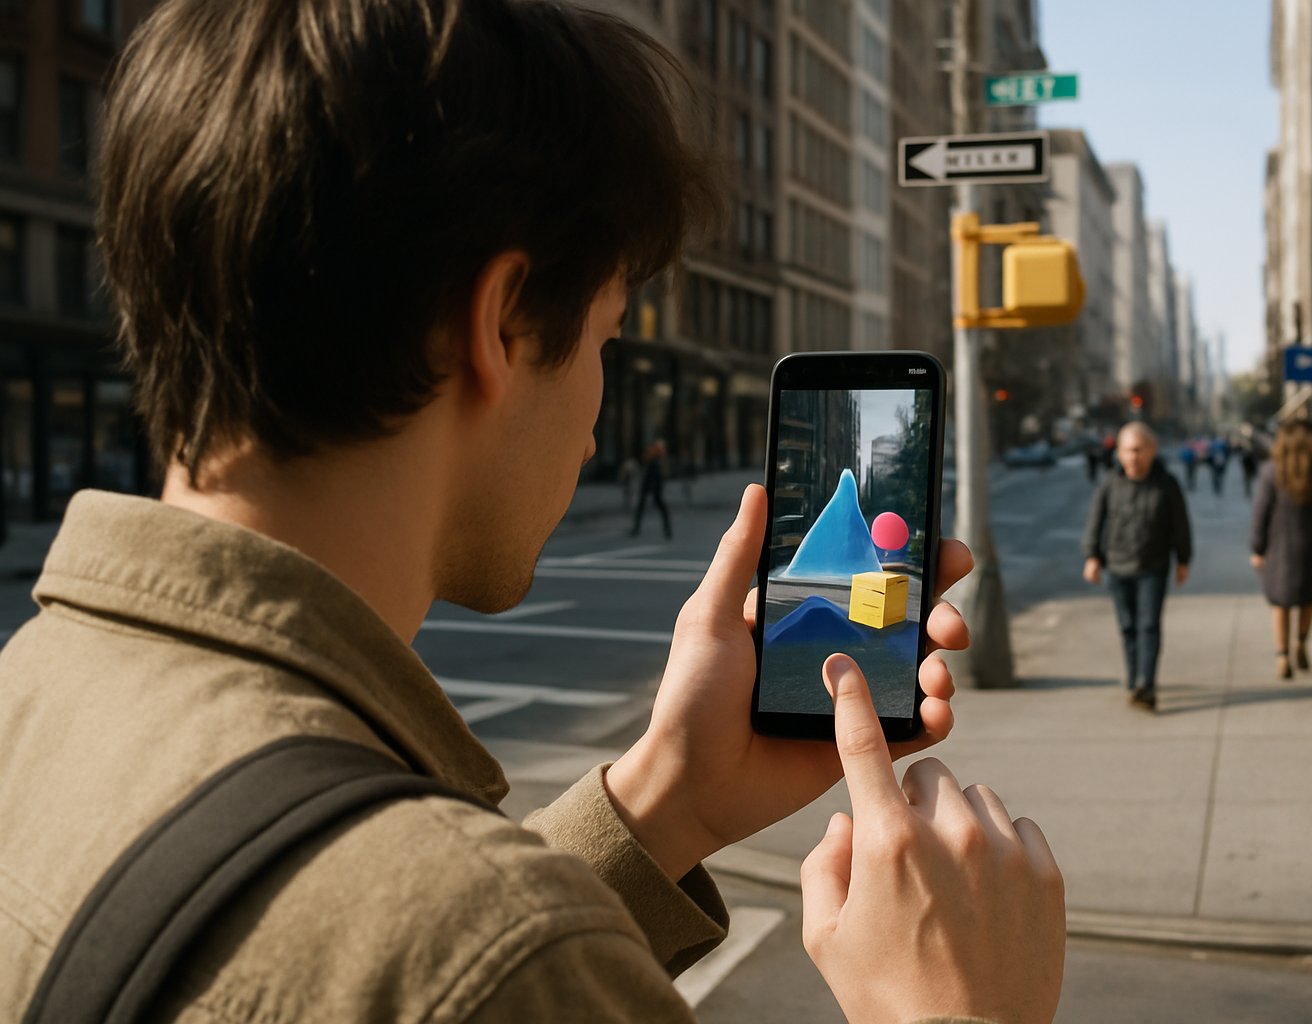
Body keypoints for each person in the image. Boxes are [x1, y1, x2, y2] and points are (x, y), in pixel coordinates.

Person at [0, 3, 1067, 1022]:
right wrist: (958, 1007)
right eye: (606, 338)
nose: (599, 409)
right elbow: (463, 963)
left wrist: (668, 798)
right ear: (502, 324)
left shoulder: (30, 688)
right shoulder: (504, 957)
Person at [1082, 422, 1193, 712]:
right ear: (1119, 453)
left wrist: (1183, 559)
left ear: (1152, 451)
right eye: (1129, 451)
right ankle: (1134, 678)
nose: (1134, 457)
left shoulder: (1167, 483)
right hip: (1117, 566)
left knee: (1149, 625)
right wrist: (1093, 557)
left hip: (1153, 566)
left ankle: (1147, 683)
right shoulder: (1110, 483)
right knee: (1128, 626)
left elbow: (1180, 525)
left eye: (1140, 450)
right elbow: (1097, 521)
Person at [1249, 421, 1312, 680]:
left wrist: (1257, 548)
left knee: (1280, 604)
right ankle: (1301, 642)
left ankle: (1282, 655)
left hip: (1279, 549)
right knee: (1308, 600)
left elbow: (1260, 514)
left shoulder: (1270, 472)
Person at [630, 437, 672, 539]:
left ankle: (667, 530)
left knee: (657, 506)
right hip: (650, 484)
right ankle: (637, 528)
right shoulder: (653, 458)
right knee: (644, 506)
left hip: (654, 484)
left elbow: (662, 473)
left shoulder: (658, 460)